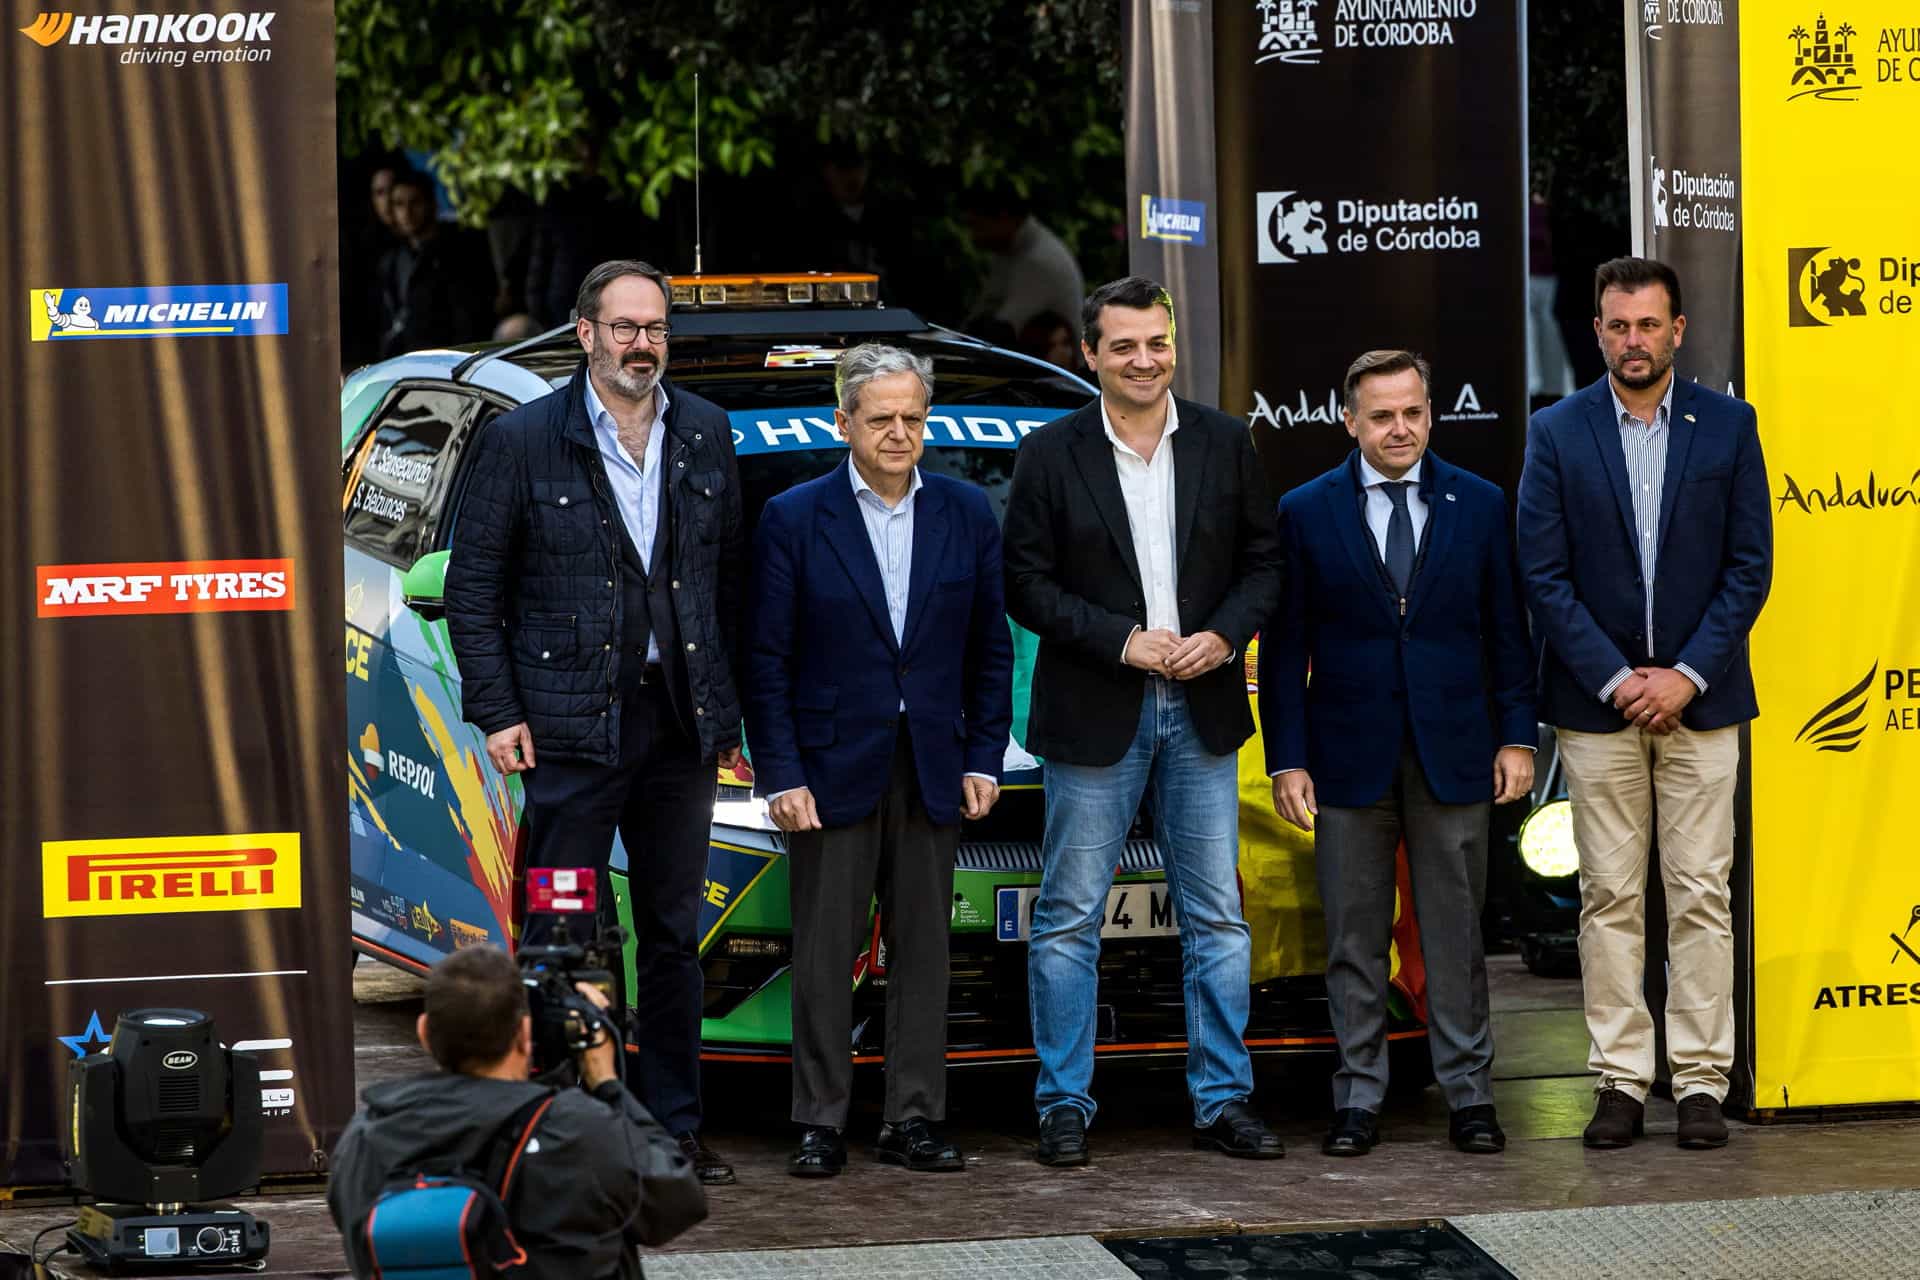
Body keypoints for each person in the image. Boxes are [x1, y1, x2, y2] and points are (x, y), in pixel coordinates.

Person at [444, 259, 747, 1184]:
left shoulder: (704, 432)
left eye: (655, 328)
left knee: (670, 936)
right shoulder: (526, 440)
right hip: (568, 736)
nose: (642, 344)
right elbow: (472, 588)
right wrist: (496, 712)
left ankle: (672, 1131)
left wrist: (730, 713)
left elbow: (726, 584)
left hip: (679, 733)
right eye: (624, 327)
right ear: (585, 335)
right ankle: (554, 1131)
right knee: (559, 935)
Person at [1002, 275, 1285, 1167]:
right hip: (1096, 707)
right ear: (1090, 355)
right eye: (1122, 345)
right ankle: (1063, 1104)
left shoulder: (1224, 441)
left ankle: (1224, 1100)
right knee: (1068, 915)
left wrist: (1222, 636)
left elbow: (1264, 564)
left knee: (1216, 917)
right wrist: (1125, 643)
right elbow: (1026, 583)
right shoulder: (1050, 452)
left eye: (1155, 342)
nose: (1143, 359)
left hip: (1201, 705)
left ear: (1174, 345)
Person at [1516, 256, 1772, 1151]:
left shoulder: (1731, 428)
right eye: (1618, 326)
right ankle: (1621, 1081)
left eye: (1648, 324)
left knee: (1701, 893)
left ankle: (1700, 1081)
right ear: (1597, 332)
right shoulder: (1556, 431)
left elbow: (1751, 569)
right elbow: (1543, 577)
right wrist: (1621, 679)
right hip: (1598, 708)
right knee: (1609, 896)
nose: (1634, 340)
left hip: (1704, 703)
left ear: (1677, 330)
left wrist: (1686, 674)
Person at [745, 343, 1015, 1178]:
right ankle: (821, 1122)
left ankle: (914, 1117)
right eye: (881, 418)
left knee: (925, 949)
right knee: (827, 950)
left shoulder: (966, 512)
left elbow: (990, 651)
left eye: (913, 417)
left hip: (934, 760)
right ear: (844, 423)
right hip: (829, 766)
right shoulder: (795, 516)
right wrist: (781, 773)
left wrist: (985, 755)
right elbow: (766, 658)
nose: (900, 433)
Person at [1261, 349, 1537, 1158]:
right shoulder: (1306, 510)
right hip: (1345, 758)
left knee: (1455, 930)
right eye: (1381, 416)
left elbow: (1508, 632)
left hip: (1456, 751)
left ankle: (1469, 1096)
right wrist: (1287, 758)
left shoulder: (1480, 503)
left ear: (1430, 413)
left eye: (1413, 412)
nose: (1400, 429)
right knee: (1352, 934)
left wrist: (1517, 736)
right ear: (1350, 421)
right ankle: (1358, 1098)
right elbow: (1283, 650)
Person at [327, 946, 707, 1280]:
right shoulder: (579, 1131)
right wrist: (608, 1084)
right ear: (525, 1035)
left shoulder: (366, 1138)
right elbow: (679, 1200)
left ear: (425, 1033)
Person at [375, 168, 496, 357]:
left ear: (431, 204)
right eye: (399, 204)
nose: (406, 212)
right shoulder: (392, 262)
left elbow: (468, 319)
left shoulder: (457, 253)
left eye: (414, 202)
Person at [962, 189, 1086, 339]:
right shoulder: (1009, 251)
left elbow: (1003, 328)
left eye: (978, 226)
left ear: (1004, 217)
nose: (973, 236)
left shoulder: (1039, 260)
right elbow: (985, 310)